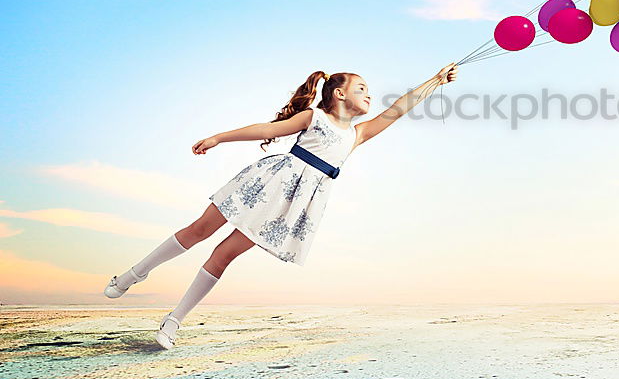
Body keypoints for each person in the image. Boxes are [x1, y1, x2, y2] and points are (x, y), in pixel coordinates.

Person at [103, 63, 458, 349]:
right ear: (339, 93)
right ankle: (134, 274)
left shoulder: (357, 134)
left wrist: (436, 81)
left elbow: (399, 109)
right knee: (200, 230)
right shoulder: (314, 118)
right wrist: (218, 138)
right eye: (362, 88)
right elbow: (266, 129)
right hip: (268, 181)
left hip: (291, 205)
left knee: (224, 255)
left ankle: (174, 320)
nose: (370, 94)